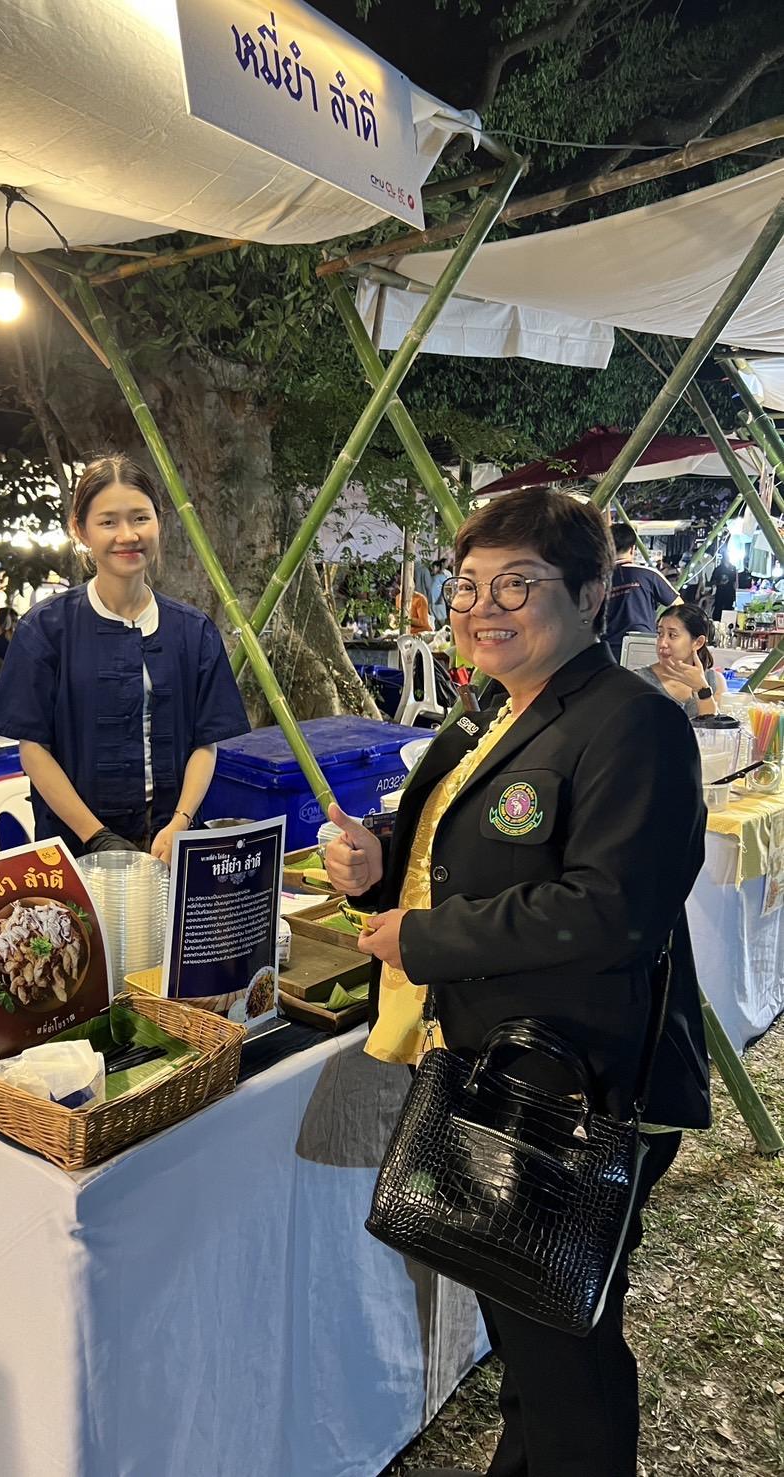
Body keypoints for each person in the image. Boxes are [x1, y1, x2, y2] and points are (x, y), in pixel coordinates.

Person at [324, 488, 709, 1477]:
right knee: (527, 1325)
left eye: (516, 584)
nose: (481, 607)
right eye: (466, 585)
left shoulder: (634, 724)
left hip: (579, 1083)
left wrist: (426, 938)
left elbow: (610, 909)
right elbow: (462, 852)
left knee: (565, 1345)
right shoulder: (490, 713)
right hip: (493, 1063)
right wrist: (380, 861)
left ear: (590, 594)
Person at [0, 454, 249, 862]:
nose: (127, 535)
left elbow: (205, 742)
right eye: (108, 522)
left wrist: (180, 821)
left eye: (140, 518)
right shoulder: (46, 629)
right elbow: (33, 749)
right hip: (76, 846)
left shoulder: (193, 630)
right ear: (81, 530)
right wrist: (97, 836)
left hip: (171, 842)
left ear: (159, 522)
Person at [603, 523, 679, 658]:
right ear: (633, 549)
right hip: (643, 645)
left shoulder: (598, 579)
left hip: (607, 649)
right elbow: (679, 606)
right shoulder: (649, 574)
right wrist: (661, 628)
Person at [639, 605, 726, 719]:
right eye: (660, 634)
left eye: (672, 635)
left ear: (698, 642)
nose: (662, 643)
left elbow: (714, 727)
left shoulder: (714, 681)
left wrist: (701, 689)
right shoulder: (639, 680)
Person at [429, 559, 449, 627]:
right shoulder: (432, 576)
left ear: (438, 567)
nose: (432, 568)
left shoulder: (442, 576)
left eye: (434, 567)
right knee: (434, 621)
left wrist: (442, 598)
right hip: (432, 601)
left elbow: (446, 587)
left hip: (438, 600)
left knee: (441, 620)